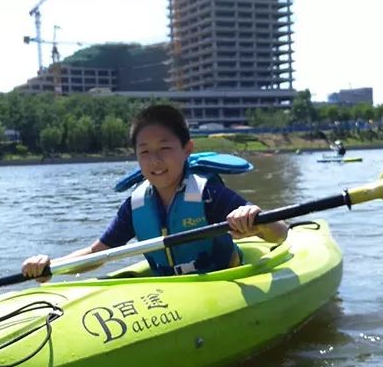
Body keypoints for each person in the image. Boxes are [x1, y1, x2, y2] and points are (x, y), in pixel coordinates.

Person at [21, 104, 289, 281]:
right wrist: (51, 267)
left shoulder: (209, 194)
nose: (155, 161)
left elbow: (280, 231)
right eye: (145, 152)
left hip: (224, 278)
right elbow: (96, 253)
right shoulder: (135, 205)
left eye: (165, 148)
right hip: (169, 289)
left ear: (187, 149)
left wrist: (253, 220)